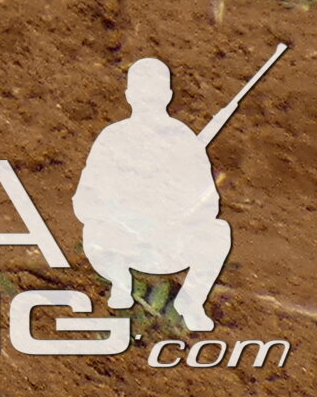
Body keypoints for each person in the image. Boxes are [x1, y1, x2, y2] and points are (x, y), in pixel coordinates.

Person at [71, 56, 235, 332]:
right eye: (143, 93)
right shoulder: (112, 138)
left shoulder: (184, 140)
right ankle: (120, 282)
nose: (148, 100)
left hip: (169, 241)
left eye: (154, 93)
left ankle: (191, 302)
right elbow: (85, 201)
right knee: (96, 230)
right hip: (122, 241)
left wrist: (177, 210)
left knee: (217, 232)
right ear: (130, 95)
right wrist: (126, 210)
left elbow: (209, 205)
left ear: (167, 95)